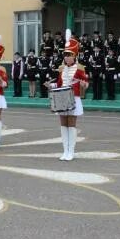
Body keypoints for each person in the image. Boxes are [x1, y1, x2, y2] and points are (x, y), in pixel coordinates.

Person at [46, 29, 88, 161]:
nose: (67, 57)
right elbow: (59, 84)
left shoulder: (80, 68)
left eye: (69, 54)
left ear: (74, 55)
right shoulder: (61, 68)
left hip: (73, 99)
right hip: (62, 98)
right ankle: (65, 150)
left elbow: (86, 84)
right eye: (65, 54)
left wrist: (82, 83)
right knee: (63, 125)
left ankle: (71, 151)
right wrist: (50, 85)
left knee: (71, 125)